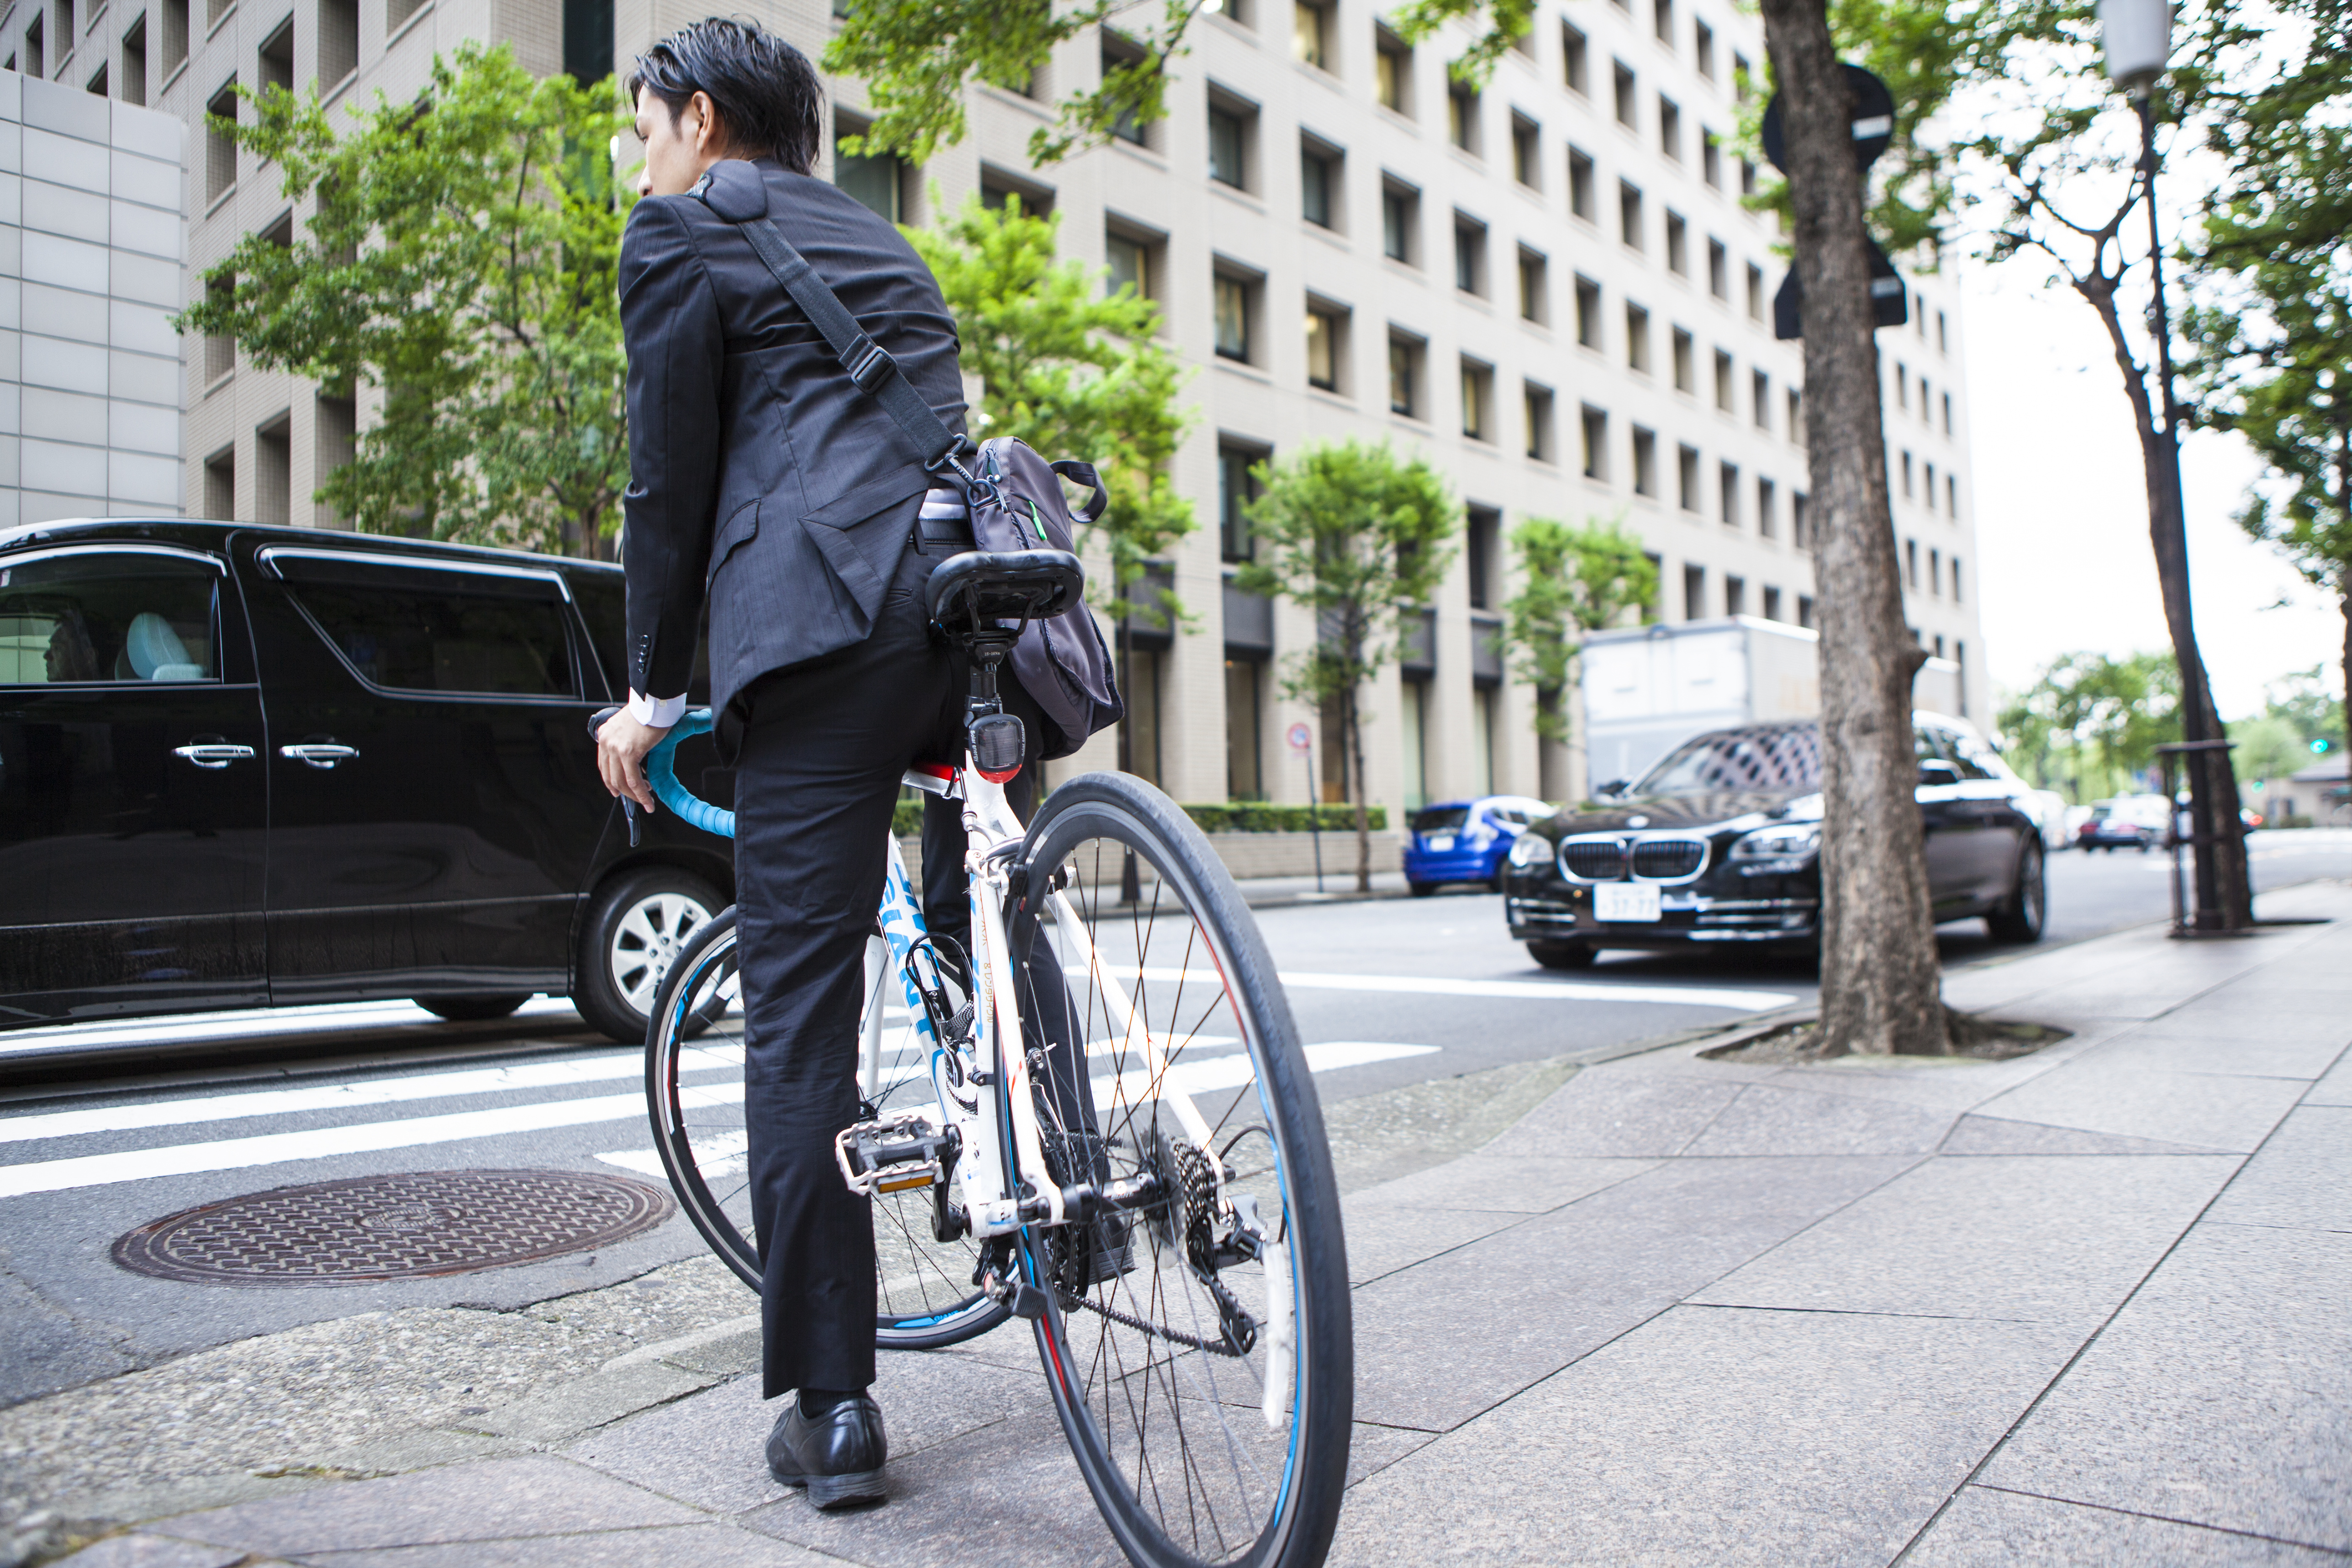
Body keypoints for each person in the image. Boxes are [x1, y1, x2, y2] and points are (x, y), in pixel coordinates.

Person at [593, 17, 1015, 1510]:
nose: (640, 158)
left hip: (819, 639)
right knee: (983, 907)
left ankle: (833, 1411)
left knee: (797, 1016)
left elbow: (669, 480)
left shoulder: (683, 239)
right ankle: (1033, 1149)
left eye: (645, 129)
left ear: (700, 122)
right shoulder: (893, 250)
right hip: (964, 618)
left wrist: (649, 689)